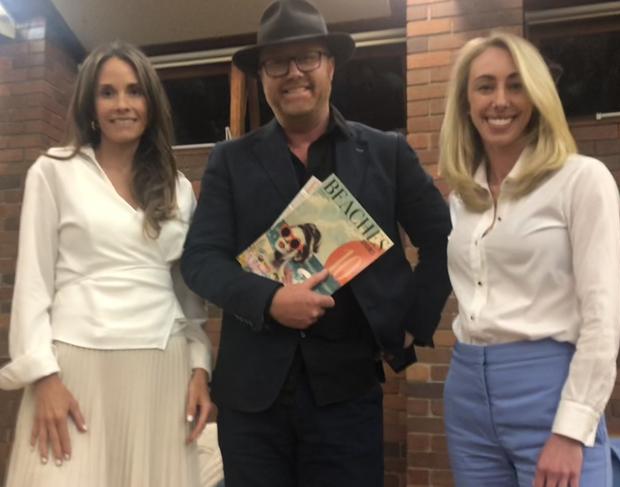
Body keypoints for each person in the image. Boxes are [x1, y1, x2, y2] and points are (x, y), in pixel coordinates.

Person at [180, 0, 451, 485]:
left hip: (347, 398)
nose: (293, 74)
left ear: (330, 65)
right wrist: (270, 301)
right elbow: (200, 260)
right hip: (252, 405)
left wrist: (415, 322)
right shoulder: (230, 160)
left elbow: (444, 237)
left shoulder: (386, 153)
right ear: (262, 76)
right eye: (277, 63)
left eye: (307, 58)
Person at [0, 40, 213, 487]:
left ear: (151, 104)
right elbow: (33, 284)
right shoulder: (54, 171)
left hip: (162, 367)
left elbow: (187, 293)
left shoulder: (177, 188)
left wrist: (200, 369)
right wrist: (43, 378)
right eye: (108, 92)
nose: (122, 104)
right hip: (76, 367)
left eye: (134, 92)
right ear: (90, 105)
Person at [438, 31, 620, 487]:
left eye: (516, 85)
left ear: (538, 96)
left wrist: (571, 430)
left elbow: (603, 318)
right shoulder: (464, 198)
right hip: (467, 391)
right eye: (485, 86)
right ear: (466, 102)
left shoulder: (582, 180)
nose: (500, 100)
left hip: (549, 389)